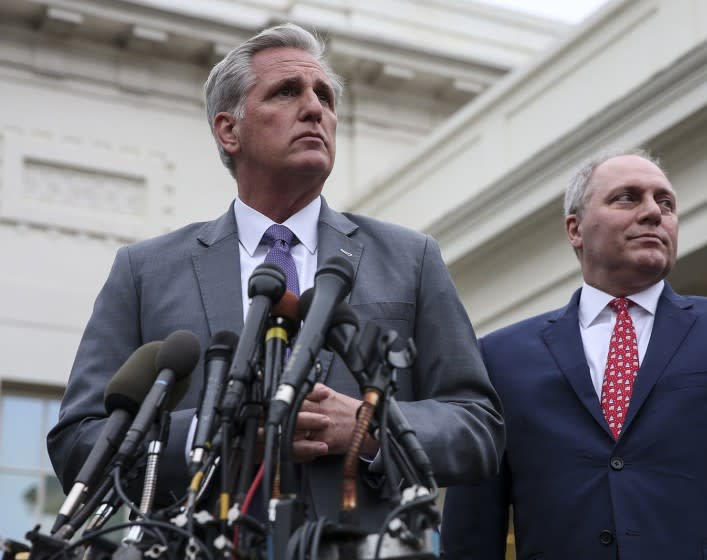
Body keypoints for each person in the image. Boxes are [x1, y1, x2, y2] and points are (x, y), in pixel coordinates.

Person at [47, 23, 504, 529]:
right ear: (229, 130)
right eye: (287, 92)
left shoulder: (411, 258)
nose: (315, 109)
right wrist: (219, 431)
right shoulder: (144, 271)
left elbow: (478, 428)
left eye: (325, 97)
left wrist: (366, 426)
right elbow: (78, 444)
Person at [441, 150, 707, 559]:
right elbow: (470, 527)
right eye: (627, 198)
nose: (653, 212)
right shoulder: (500, 357)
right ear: (575, 229)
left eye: (665, 203)